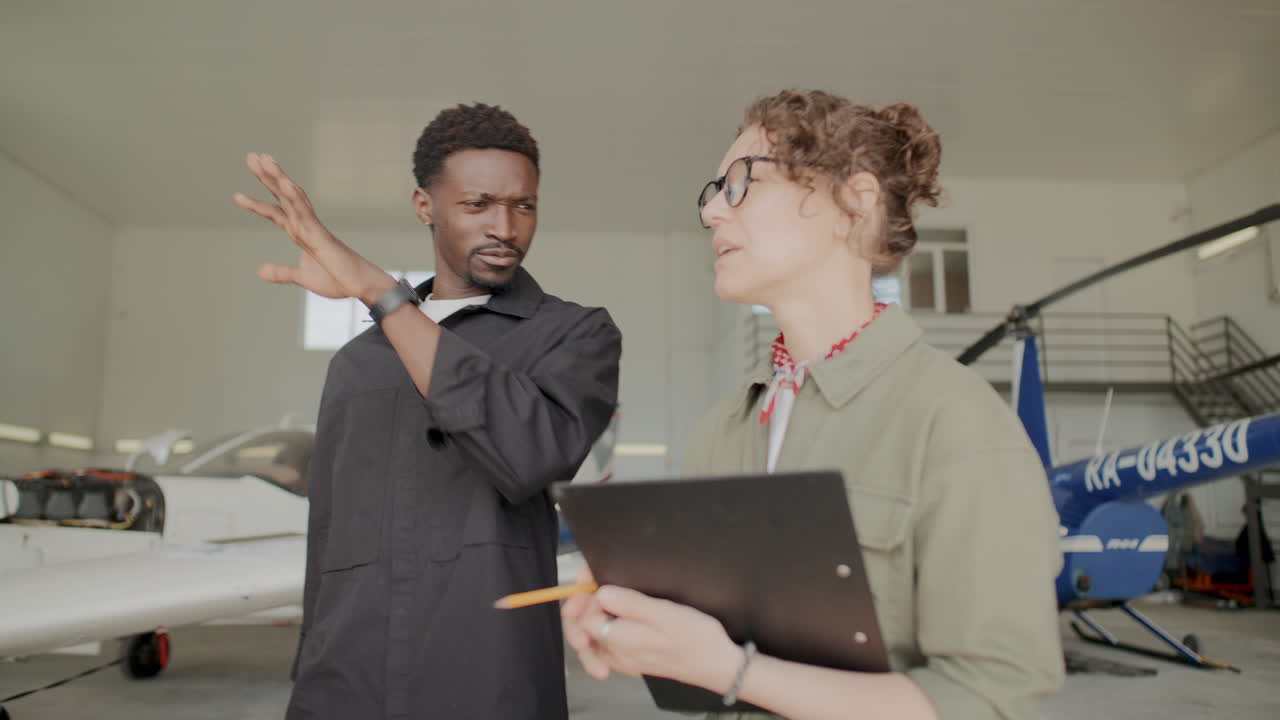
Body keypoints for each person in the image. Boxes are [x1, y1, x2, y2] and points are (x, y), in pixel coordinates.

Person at [562, 90, 1064, 719]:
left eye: (743, 181)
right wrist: (630, 615)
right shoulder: (721, 431)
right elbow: (706, 651)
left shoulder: (955, 423)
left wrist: (733, 670)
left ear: (852, 202)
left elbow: (993, 701)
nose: (714, 211)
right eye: (713, 190)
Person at [234, 103, 622, 719]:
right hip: (346, 683)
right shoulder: (358, 365)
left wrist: (380, 293)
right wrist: (311, 673)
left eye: (524, 206)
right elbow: (328, 539)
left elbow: (530, 454)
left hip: (490, 680)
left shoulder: (573, 336)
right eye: (477, 205)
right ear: (425, 207)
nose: (505, 227)